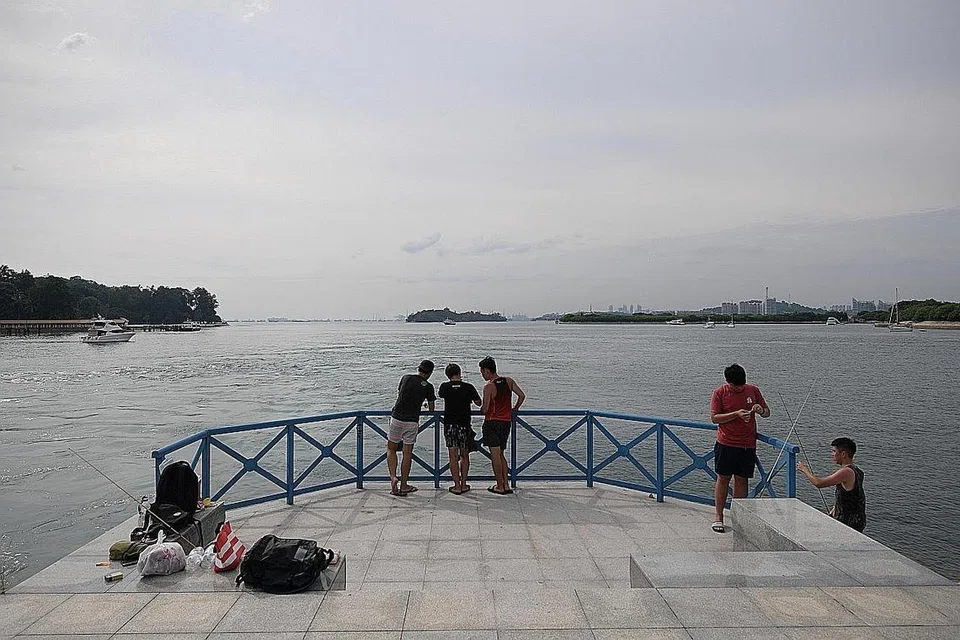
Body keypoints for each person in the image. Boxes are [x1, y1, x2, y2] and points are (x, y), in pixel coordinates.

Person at [709, 363, 769, 533]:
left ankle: (738, 517)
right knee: (723, 478)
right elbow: (714, 418)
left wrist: (760, 409)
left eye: (742, 385)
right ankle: (718, 516)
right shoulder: (719, 393)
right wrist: (735, 414)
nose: (740, 389)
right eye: (736, 387)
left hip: (747, 444)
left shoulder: (753, 390)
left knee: (742, 480)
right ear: (728, 382)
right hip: (726, 443)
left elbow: (767, 412)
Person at [387, 359, 436, 496]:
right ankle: (404, 485)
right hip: (412, 422)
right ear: (430, 373)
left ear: (419, 368)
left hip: (396, 418)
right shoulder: (428, 386)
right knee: (407, 453)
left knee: (391, 449)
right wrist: (425, 405)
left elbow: (401, 394)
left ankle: (393, 478)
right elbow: (432, 409)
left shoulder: (406, 378)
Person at [797, 437, 866, 532]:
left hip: (848, 524)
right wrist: (836, 507)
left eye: (834, 451)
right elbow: (852, 496)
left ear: (843, 454)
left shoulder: (846, 472)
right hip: (858, 521)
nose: (832, 454)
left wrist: (804, 469)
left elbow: (819, 483)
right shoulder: (858, 471)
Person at [478, 356, 525, 495]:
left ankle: (499, 485)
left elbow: (485, 409)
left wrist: (481, 408)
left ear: (486, 370)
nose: (482, 375)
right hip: (506, 422)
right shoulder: (509, 381)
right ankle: (506, 484)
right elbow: (521, 395)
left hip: (492, 422)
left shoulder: (489, 387)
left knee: (495, 456)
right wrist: (514, 409)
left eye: (482, 372)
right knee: (501, 455)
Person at [438, 363, 482, 495]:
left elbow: (441, 395)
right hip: (464, 425)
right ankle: (463, 484)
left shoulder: (444, 386)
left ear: (447, 375)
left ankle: (456, 485)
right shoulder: (468, 387)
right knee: (464, 455)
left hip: (449, 425)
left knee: (452, 456)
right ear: (460, 372)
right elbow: (478, 402)